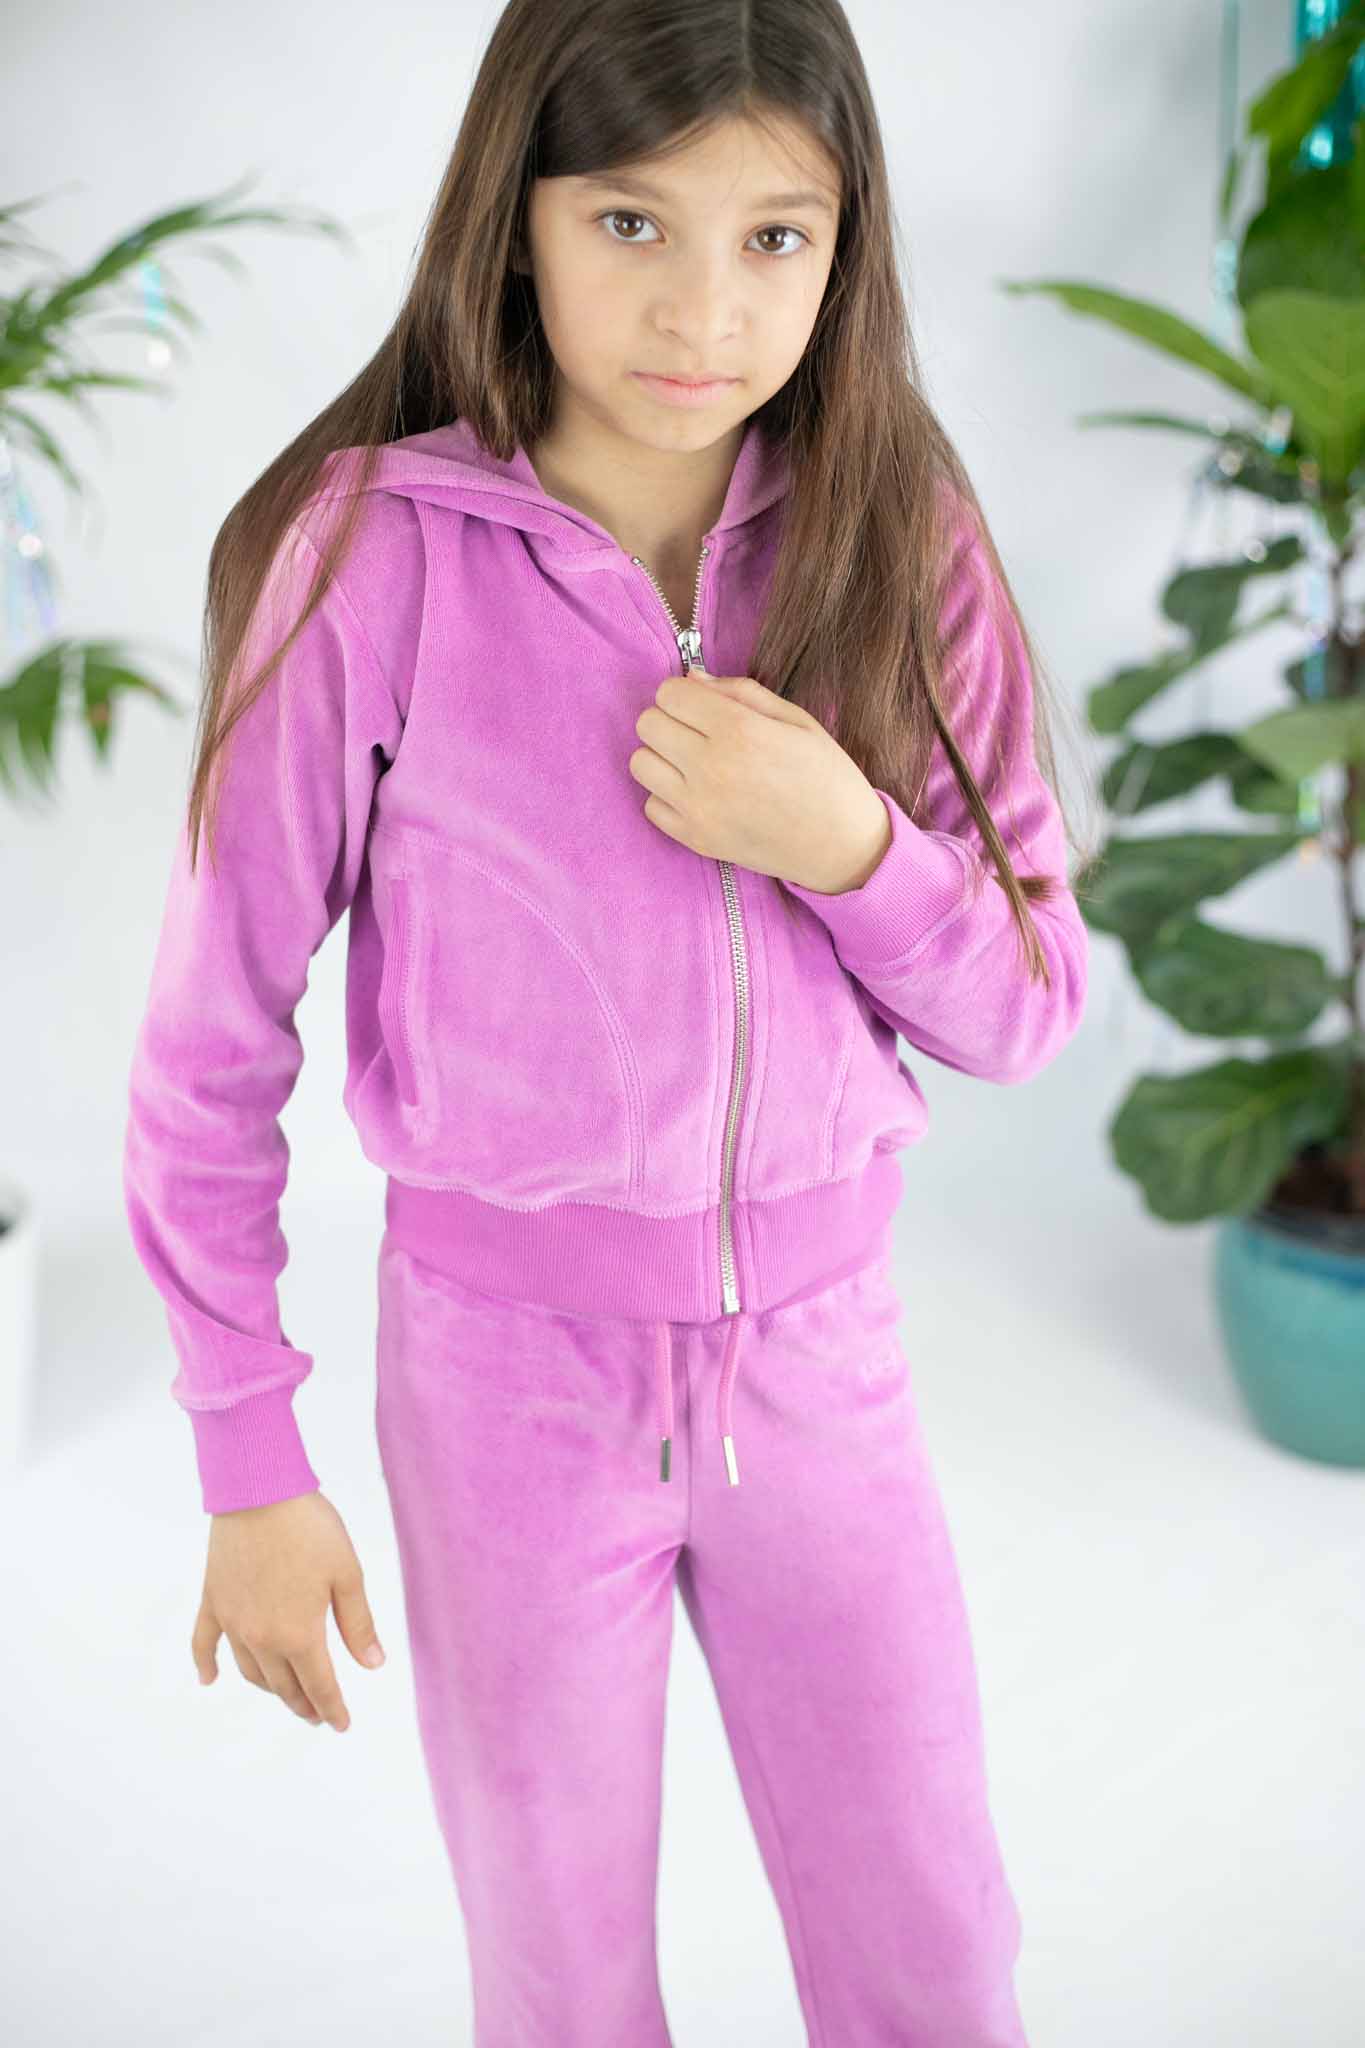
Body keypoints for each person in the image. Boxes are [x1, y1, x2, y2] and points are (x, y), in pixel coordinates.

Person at [121, 1, 1095, 2038]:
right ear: (520, 215)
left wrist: (844, 844)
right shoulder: (370, 556)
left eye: (774, 237)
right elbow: (208, 1052)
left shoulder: (893, 526)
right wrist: (245, 1457)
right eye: (631, 223)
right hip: (499, 1390)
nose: (702, 311)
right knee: (558, 1980)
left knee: (935, 1953)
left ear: (844, 247)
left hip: (823, 1369)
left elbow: (1025, 1004)